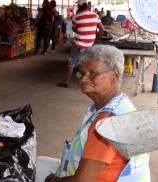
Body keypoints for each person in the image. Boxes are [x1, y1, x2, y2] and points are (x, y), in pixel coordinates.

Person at [36, 45, 151, 182]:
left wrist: (54, 181)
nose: (83, 79)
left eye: (92, 73)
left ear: (114, 76)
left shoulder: (107, 122)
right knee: (39, 163)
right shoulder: (118, 103)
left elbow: (82, 180)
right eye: (82, 73)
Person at [57, 0, 105, 88]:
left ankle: (66, 82)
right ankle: (91, 83)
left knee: (71, 62)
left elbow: (74, 29)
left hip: (78, 44)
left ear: (79, 6)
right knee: (90, 63)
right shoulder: (95, 16)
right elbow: (102, 29)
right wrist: (95, 38)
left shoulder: (76, 17)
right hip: (90, 44)